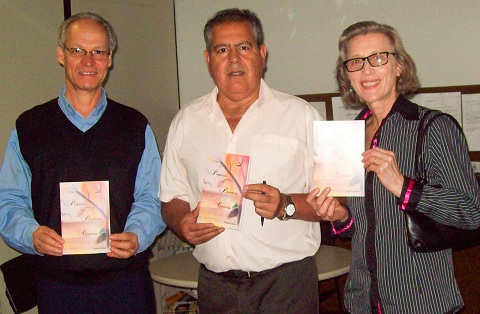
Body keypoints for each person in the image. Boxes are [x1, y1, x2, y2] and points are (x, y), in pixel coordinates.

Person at [160, 8, 346, 313]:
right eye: (222, 49)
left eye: (243, 47)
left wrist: (286, 204)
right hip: (215, 288)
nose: (233, 58)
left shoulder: (301, 115)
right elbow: (171, 197)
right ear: (209, 59)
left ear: (261, 53)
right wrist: (181, 222)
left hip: (286, 286)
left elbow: (336, 201)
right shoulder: (185, 121)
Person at [307, 21, 480, 313]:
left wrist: (403, 186)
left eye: (378, 58)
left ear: (398, 66)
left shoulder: (433, 128)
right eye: (355, 62)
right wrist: (339, 216)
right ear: (346, 75)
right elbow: (362, 228)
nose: (366, 71)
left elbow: (472, 212)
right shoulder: (346, 136)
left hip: (421, 303)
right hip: (362, 300)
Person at [0, 12, 165, 314]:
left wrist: (138, 235)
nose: (88, 61)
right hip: (57, 287)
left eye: (98, 52)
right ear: (61, 55)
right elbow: (9, 201)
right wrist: (31, 234)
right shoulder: (29, 127)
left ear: (109, 58)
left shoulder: (134, 125)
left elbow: (152, 196)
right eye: (78, 50)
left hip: (125, 284)